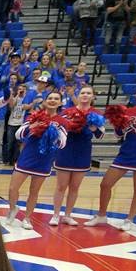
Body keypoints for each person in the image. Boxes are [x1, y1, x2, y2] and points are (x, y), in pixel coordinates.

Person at [85, 84, 136, 232]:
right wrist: (119, 126)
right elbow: (118, 135)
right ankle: (101, 215)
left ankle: (129, 219)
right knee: (105, 184)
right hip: (125, 153)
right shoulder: (128, 111)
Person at [5, 91, 69, 230]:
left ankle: (27, 218)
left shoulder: (62, 122)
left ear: (60, 102)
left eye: (56, 98)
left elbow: (62, 144)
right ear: (45, 101)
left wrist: (53, 132)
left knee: (34, 191)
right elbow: (18, 135)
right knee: (12, 188)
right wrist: (31, 127)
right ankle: (12, 209)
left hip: (44, 160)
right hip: (27, 156)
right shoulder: (34, 116)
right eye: (50, 98)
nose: (52, 100)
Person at [52, 86, 104, 226]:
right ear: (78, 95)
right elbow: (58, 129)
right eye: (82, 93)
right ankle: (56, 215)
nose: (85, 95)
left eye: (88, 93)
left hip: (83, 151)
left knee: (74, 187)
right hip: (66, 150)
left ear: (93, 96)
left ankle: (68, 215)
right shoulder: (67, 112)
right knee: (61, 186)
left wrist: (93, 127)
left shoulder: (97, 113)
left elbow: (100, 135)